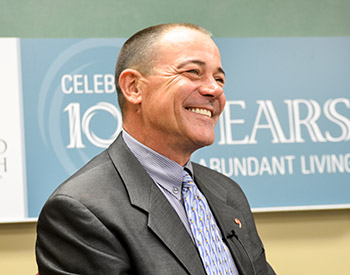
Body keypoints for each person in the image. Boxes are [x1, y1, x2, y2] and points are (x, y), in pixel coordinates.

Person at [36, 23, 275, 275]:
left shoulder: (227, 192)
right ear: (133, 87)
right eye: (193, 72)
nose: (214, 89)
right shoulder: (81, 211)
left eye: (219, 79)